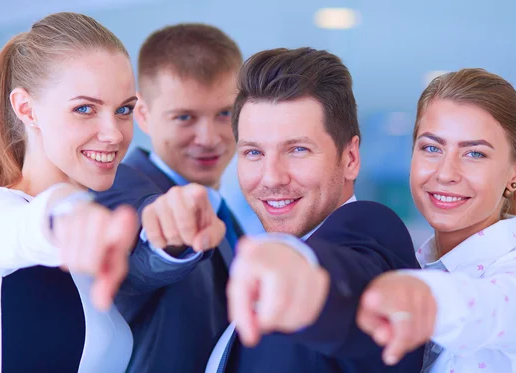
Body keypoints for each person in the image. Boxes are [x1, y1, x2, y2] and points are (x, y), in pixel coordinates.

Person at [141, 47, 425, 373]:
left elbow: (352, 280)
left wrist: (303, 268)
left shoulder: (373, 230)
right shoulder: (246, 257)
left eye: (298, 149)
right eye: (253, 153)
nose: (272, 177)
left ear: (350, 158)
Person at [0, 12, 143, 373]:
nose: (114, 133)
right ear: (26, 108)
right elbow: (27, 226)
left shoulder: (90, 249)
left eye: (124, 109)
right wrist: (68, 208)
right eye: (85, 109)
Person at [356, 68, 516, 373]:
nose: (445, 173)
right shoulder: (404, 264)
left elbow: (501, 309)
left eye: (475, 154)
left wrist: (423, 297)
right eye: (432, 148)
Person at [94, 23, 247, 373]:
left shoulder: (223, 211)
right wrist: (168, 240)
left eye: (225, 113)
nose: (208, 138)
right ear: (143, 115)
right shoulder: (120, 189)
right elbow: (141, 252)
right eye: (185, 117)